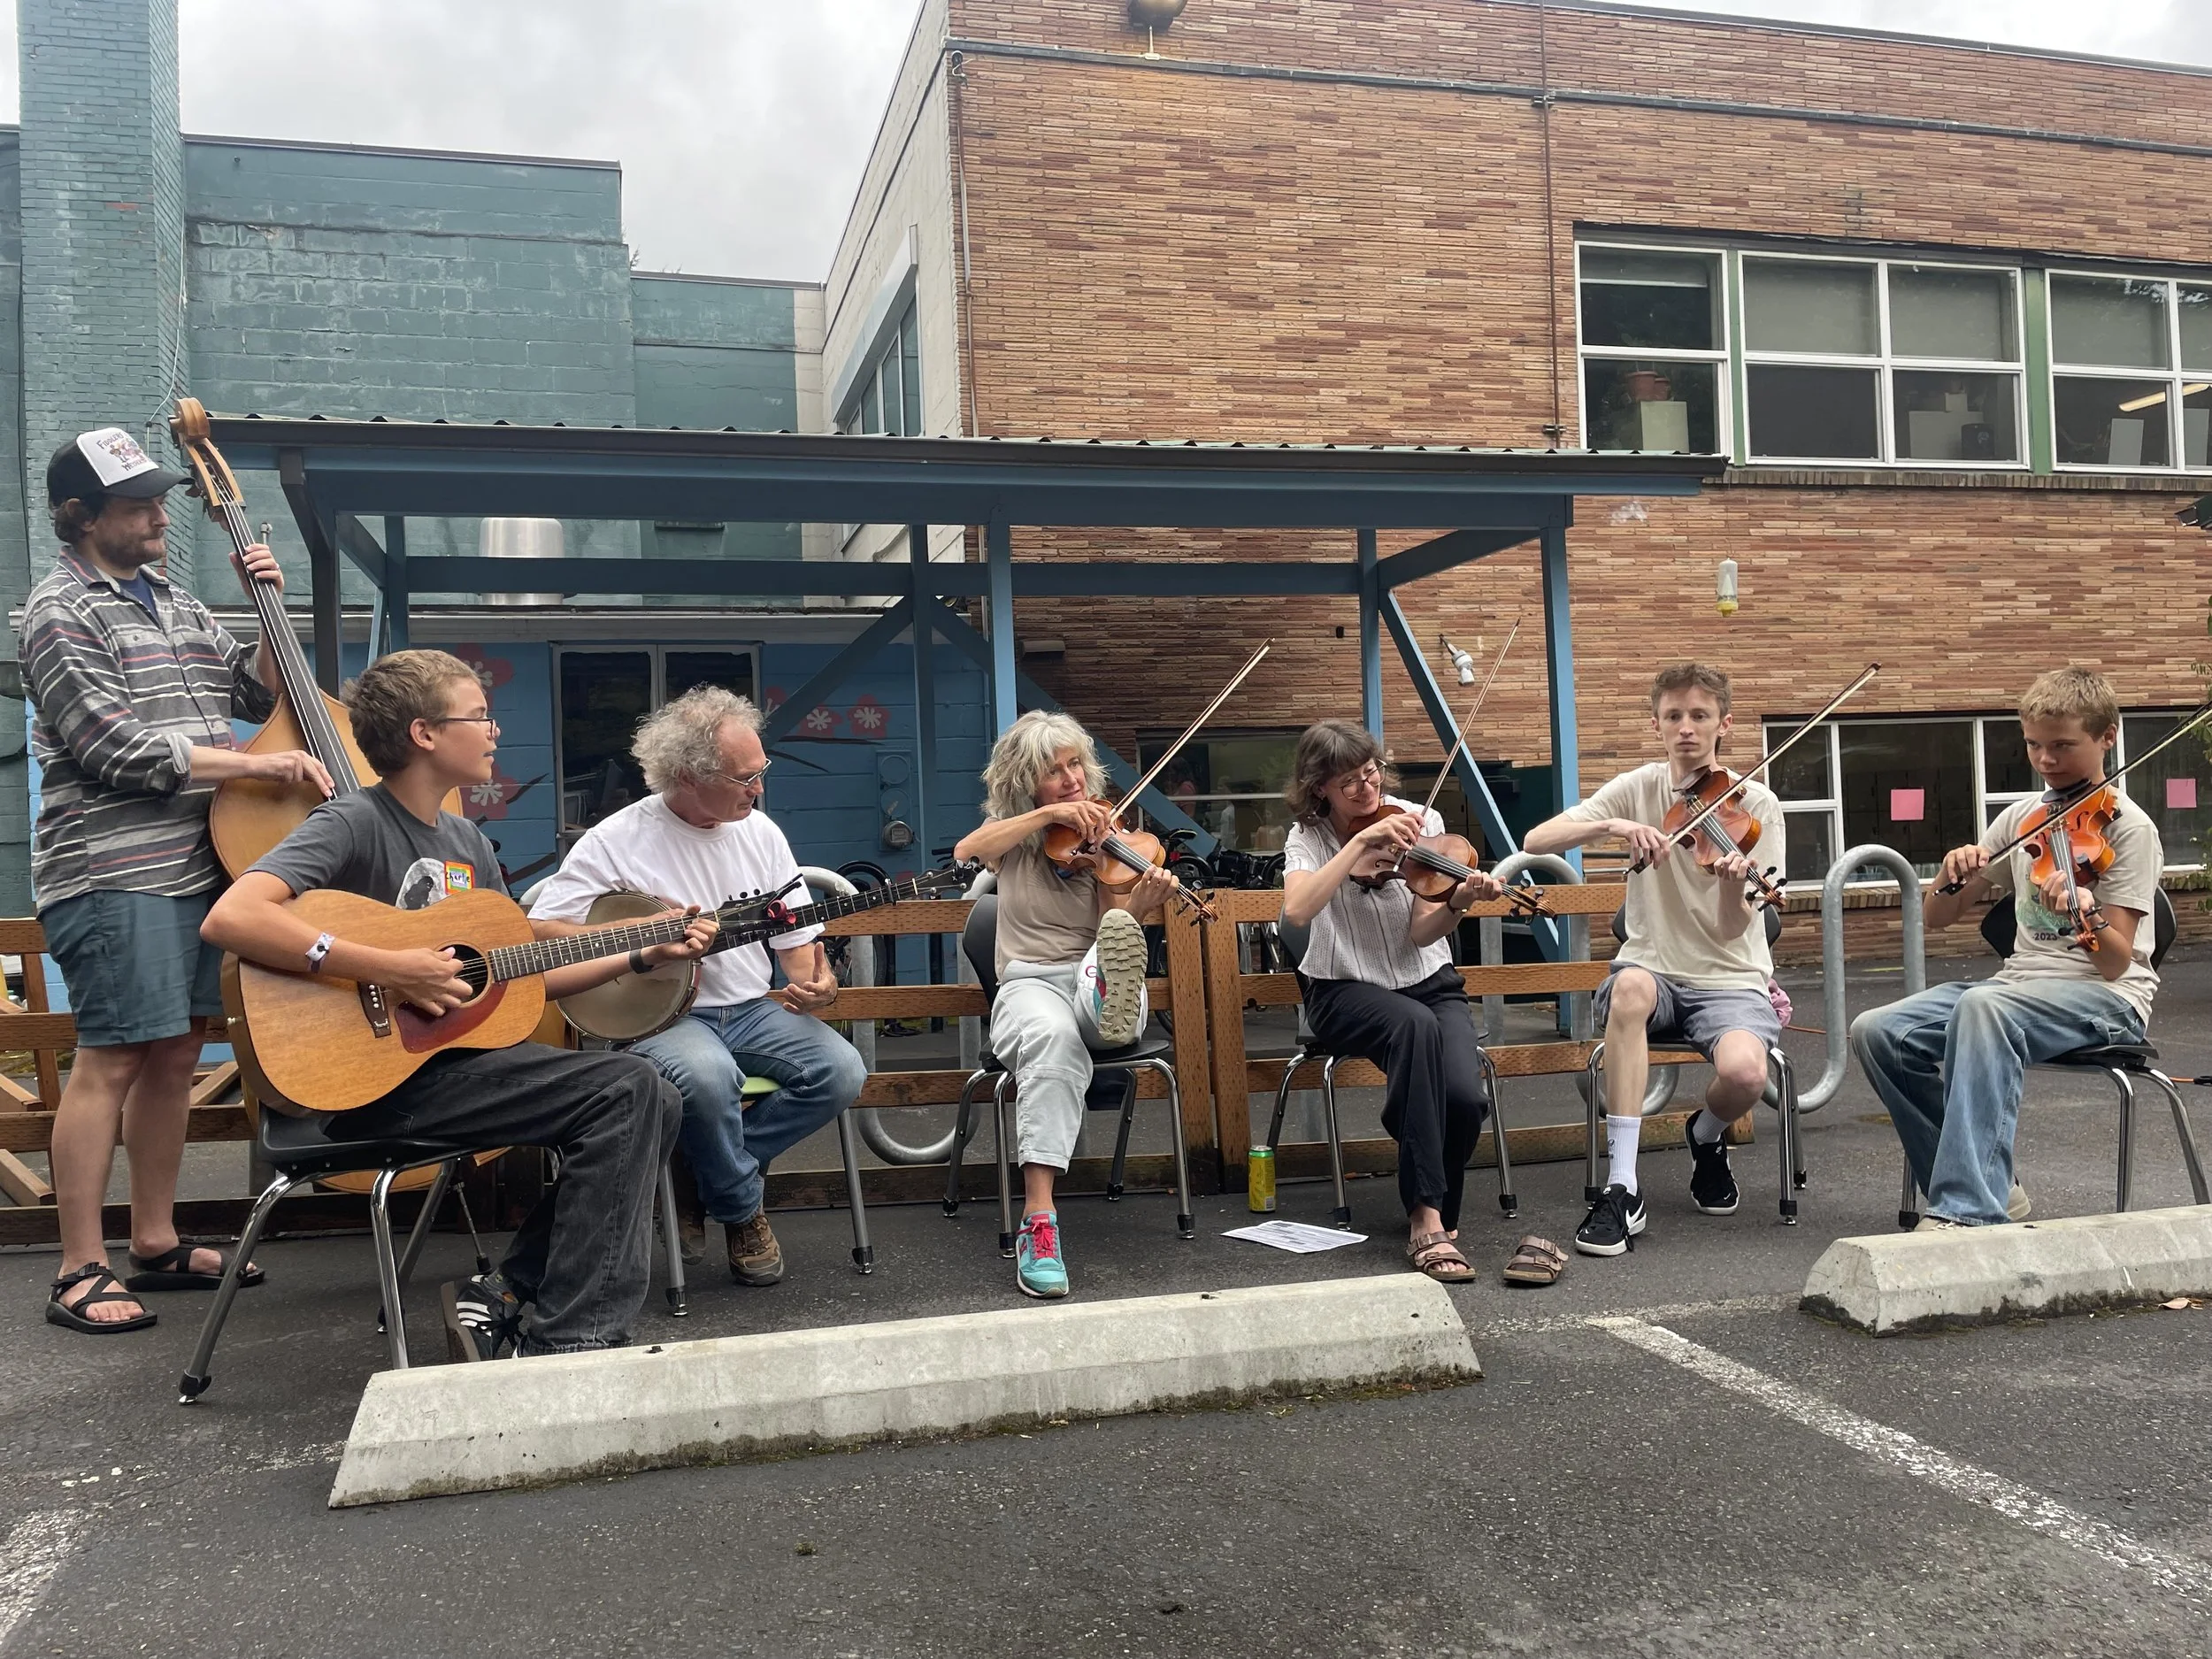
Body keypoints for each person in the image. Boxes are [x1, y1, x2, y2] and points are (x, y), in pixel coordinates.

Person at [202, 650, 712, 1359]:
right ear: (424, 734)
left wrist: (638, 953)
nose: (494, 730)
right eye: (479, 715)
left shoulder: (466, 839)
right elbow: (232, 918)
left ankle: (508, 1293)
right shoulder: (354, 821)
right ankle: (576, 1338)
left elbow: (512, 978)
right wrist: (389, 967)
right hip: (370, 1084)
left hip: (454, 1071)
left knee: (651, 1092)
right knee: (628, 1087)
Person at [28, 428, 336, 1335]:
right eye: (137, 504)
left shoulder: (173, 599)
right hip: (113, 867)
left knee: (173, 1053)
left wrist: (265, 613)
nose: (161, 513)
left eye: (159, 499)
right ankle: (78, 1268)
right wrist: (258, 774)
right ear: (82, 517)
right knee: (113, 1056)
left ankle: (155, 1243)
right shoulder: (59, 611)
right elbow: (110, 747)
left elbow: (252, 696)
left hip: (204, 863)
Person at [530, 686, 865, 1288]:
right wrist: (645, 934)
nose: (759, 788)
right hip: (662, 1020)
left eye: (761, 771)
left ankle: (702, 1169)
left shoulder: (761, 834)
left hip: (750, 1010)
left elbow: (801, 956)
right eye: (744, 778)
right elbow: (542, 929)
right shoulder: (617, 838)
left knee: (842, 1070)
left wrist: (820, 986)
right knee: (711, 1080)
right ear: (687, 776)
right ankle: (741, 1209)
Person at [1851, 667, 2162, 1229]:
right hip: (2017, 989)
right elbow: (1938, 918)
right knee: (1878, 1031)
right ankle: (1992, 1187)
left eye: (2063, 746)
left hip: (2106, 1000)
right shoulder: (2025, 818)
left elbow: (2116, 962)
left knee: (1984, 1007)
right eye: (2034, 746)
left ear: (2107, 737)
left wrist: (2081, 910)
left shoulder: (2128, 830)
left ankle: (1966, 1213)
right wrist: (1949, 875)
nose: (2045, 760)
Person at [1525, 663, 1783, 1258]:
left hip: (1729, 977)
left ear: (1725, 723)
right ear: (1657, 724)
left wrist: (1729, 882)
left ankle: (1705, 1134)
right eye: (1674, 716)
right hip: (1653, 969)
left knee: (1747, 1073)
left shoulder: (1757, 805)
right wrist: (1613, 823)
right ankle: (1623, 1183)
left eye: (1699, 715)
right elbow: (1536, 841)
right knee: (1629, 989)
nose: (1686, 728)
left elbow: (1731, 926)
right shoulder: (1640, 786)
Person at [952, 711, 1174, 1299]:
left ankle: (1113, 990)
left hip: (1089, 975)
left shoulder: (1111, 838)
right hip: (1029, 984)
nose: (1073, 778)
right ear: (1027, 783)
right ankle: (1039, 1220)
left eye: (1076, 763)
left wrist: (1135, 909)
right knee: (1054, 1036)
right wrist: (1048, 815)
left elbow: (1107, 921)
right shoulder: (1016, 840)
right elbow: (967, 849)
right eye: (1054, 771)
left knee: (1116, 943)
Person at [1279, 722, 1503, 1282]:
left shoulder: (1420, 822)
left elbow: (1425, 933)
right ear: (1319, 788)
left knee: (1464, 1098)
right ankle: (1425, 1217)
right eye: (1347, 782)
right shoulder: (1306, 837)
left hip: (1425, 979)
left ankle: (1410, 1115)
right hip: (1343, 987)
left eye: (1370, 773)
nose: (1364, 789)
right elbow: (1298, 913)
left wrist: (1458, 900)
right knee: (1414, 1029)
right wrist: (1355, 844)